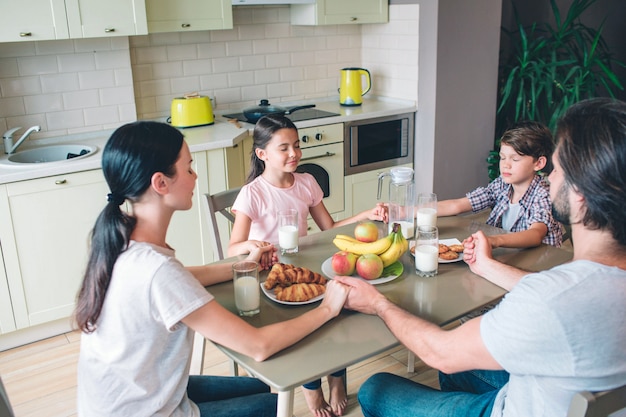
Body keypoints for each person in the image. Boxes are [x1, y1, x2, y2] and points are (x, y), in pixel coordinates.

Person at [334, 97, 626, 417]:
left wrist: (378, 303)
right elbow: (555, 291)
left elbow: (440, 353)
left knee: (377, 388)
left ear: (581, 191)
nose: (552, 178)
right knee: (457, 371)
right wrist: (487, 265)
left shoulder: (547, 299)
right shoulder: (575, 287)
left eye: (559, 168)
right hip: (554, 394)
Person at [74, 121, 349, 417]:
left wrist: (249, 265)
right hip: (143, 410)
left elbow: (184, 276)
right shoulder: (157, 271)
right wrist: (328, 309)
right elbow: (258, 346)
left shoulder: (123, 242)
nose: (195, 175)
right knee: (273, 404)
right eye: (189, 167)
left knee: (259, 386)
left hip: (124, 396)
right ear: (160, 183)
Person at [228, 114, 387, 417]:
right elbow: (233, 247)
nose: (294, 154)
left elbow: (329, 228)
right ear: (262, 154)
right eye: (284, 148)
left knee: (338, 312)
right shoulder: (253, 193)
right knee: (306, 328)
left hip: (308, 270)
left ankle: (337, 378)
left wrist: (366, 214)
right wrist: (254, 245)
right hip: (273, 280)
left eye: (297, 146)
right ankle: (311, 390)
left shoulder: (306, 182)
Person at [437, 121, 563, 248]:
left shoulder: (543, 195)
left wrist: (494, 240)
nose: (506, 165)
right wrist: (418, 210)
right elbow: (457, 205)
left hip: (540, 263)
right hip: (512, 256)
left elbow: (535, 234)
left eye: (515, 159)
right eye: (502, 157)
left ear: (539, 163)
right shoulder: (502, 185)